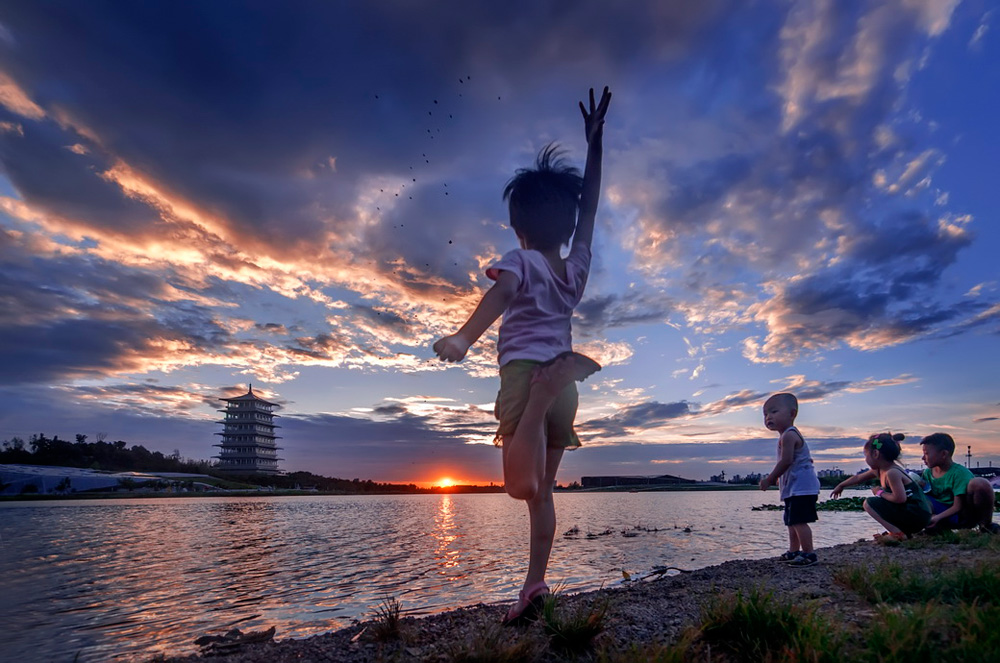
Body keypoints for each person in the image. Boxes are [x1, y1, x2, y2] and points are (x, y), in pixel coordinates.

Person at [433, 86, 612, 625]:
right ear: (566, 226)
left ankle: (537, 402)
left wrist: (464, 337)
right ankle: (535, 584)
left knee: (518, 486)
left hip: (530, 380)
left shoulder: (522, 260)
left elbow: (502, 293)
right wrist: (595, 146)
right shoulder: (574, 269)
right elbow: (592, 210)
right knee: (543, 493)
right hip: (567, 387)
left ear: (519, 228)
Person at [830, 433, 930, 541]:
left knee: (869, 503)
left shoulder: (892, 472)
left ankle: (897, 533)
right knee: (879, 503)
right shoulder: (880, 470)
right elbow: (858, 478)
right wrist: (841, 485)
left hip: (917, 515)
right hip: (914, 514)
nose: (865, 460)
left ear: (875, 454)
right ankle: (902, 531)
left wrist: (879, 493)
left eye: (866, 455)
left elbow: (900, 498)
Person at [759, 393, 821, 567]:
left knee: (799, 520)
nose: (768, 417)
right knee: (791, 520)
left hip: (802, 487)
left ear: (792, 414)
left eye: (774, 411)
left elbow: (786, 461)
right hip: (794, 487)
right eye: (765, 414)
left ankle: (809, 553)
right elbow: (789, 464)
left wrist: (770, 479)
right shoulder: (784, 436)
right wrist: (782, 480)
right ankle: (794, 550)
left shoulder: (789, 435)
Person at [920, 433, 999, 534]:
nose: (923, 458)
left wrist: (938, 517)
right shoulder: (927, 472)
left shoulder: (959, 473)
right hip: (940, 513)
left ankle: (986, 526)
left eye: (926, 454)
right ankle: (932, 527)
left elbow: (958, 506)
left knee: (980, 483)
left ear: (944, 454)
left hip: (959, 515)